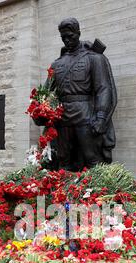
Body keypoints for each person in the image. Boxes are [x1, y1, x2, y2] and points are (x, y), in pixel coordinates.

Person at [42, 17, 117, 171]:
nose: (67, 40)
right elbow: (47, 93)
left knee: (92, 158)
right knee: (64, 160)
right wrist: (40, 109)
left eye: (71, 36)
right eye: (64, 38)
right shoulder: (57, 64)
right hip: (62, 117)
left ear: (78, 33)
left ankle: (95, 193)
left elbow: (104, 89)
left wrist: (101, 117)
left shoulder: (94, 58)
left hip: (85, 114)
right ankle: (63, 193)